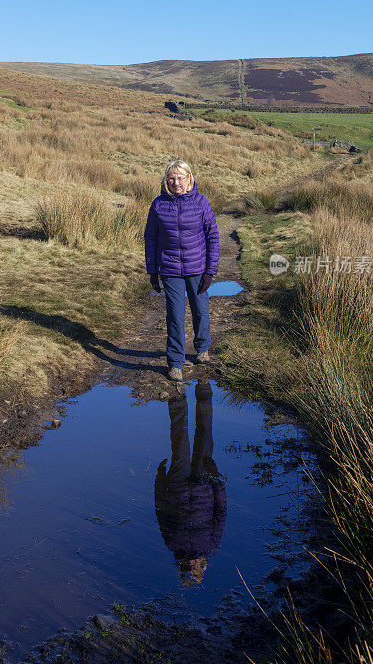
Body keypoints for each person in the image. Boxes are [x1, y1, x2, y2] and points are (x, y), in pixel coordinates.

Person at [144, 159, 220, 381]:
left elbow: (213, 236)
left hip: (197, 267)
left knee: (200, 309)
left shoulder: (201, 202)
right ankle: (175, 362)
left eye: (180, 177)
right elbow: (150, 238)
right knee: (175, 315)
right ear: (166, 180)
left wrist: (210, 271)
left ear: (189, 178)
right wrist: (152, 271)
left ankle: (203, 348)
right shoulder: (158, 204)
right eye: (172, 178)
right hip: (169, 268)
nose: (176, 182)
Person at [154, 380, 227, 585]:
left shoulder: (171, 544)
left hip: (177, 482)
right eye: (196, 567)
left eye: (188, 567)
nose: (193, 563)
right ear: (203, 565)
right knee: (204, 433)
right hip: (205, 483)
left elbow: (161, 511)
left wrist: (159, 481)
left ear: (181, 566)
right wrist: (218, 481)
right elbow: (220, 511)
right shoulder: (212, 544)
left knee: (179, 438)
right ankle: (204, 388)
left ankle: (177, 397)